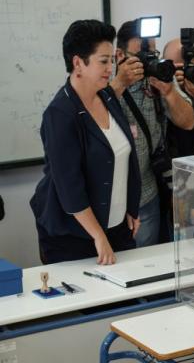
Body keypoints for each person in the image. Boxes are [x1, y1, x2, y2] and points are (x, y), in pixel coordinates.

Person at [30, 19, 141, 265]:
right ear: (78, 63)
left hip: (117, 227)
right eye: (103, 61)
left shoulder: (107, 97)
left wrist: (131, 208)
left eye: (112, 60)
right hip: (76, 236)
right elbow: (69, 187)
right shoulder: (59, 114)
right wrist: (99, 236)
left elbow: (126, 157)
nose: (110, 69)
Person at [109, 20, 194, 247]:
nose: (148, 61)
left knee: (146, 261)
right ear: (119, 55)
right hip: (109, 198)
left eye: (152, 54)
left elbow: (188, 122)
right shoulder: (105, 79)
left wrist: (169, 92)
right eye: (141, 55)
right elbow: (88, 121)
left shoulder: (159, 77)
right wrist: (120, 83)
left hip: (145, 194)